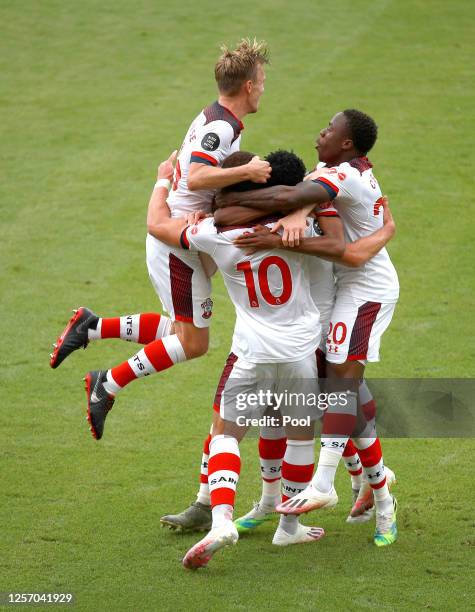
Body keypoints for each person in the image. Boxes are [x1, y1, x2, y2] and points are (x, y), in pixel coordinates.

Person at [49, 39, 271, 440]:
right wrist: (247, 173)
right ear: (248, 87)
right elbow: (199, 176)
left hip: (188, 236)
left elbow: (193, 179)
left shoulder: (218, 119)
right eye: (262, 80)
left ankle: (92, 327)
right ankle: (107, 383)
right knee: (192, 341)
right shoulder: (221, 127)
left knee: (184, 331)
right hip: (176, 244)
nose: (263, 87)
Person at [151, 149, 343, 568]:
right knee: (298, 435)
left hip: (251, 352)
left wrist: (164, 180)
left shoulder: (211, 233)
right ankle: (288, 529)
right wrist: (299, 206)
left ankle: (221, 519)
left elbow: (157, 225)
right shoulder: (297, 225)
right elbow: (325, 183)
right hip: (299, 350)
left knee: (224, 434)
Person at [216, 109, 399, 546]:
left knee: (345, 397)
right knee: (292, 410)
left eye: (330, 129)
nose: (320, 132)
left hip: (347, 303)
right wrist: (291, 211)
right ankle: (274, 499)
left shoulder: (335, 187)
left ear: (348, 144)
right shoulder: (323, 182)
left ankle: (372, 494)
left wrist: (272, 218)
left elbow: (349, 254)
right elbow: (304, 197)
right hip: (315, 319)